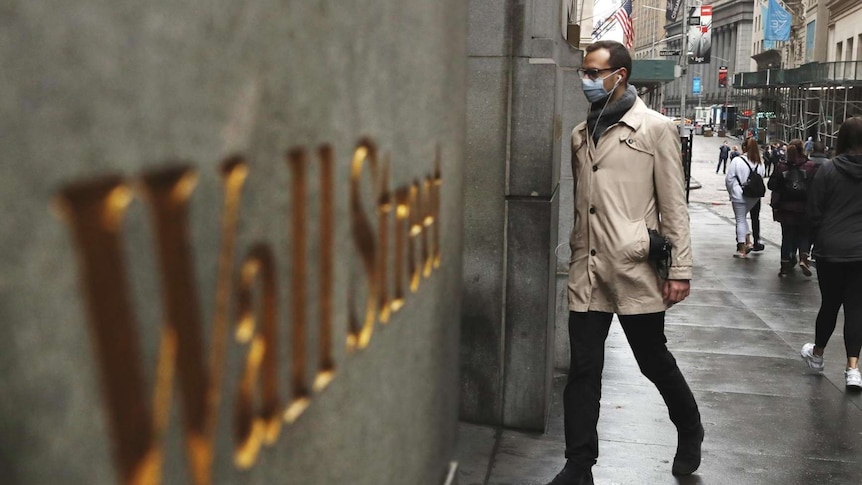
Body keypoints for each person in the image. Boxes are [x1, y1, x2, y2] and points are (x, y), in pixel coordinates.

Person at [548, 40, 702, 485]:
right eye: (584, 71)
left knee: (653, 361)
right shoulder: (581, 133)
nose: (587, 81)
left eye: (596, 73)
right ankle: (579, 465)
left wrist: (680, 270)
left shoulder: (655, 128)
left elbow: (674, 206)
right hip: (587, 270)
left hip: (635, 266)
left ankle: (689, 427)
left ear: (621, 75)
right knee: (583, 370)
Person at [801, 116, 862, 391]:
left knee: (829, 304)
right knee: (856, 308)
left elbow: (813, 211)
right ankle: (853, 368)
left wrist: (810, 244)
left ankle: (818, 356)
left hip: (830, 250)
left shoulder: (827, 170)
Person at [767, 139, 818, 277]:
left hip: (785, 208)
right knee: (803, 234)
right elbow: (815, 189)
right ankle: (803, 257)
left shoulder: (782, 166)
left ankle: (785, 265)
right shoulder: (811, 166)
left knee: (787, 236)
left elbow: (771, 185)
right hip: (804, 208)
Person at [725, 138, 766, 258]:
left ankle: (741, 247)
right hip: (754, 196)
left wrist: (731, 192)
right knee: (742, 218)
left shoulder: (737, 160)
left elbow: (729, 179)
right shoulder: (760, 162)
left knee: (740, 220)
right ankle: (748, 242)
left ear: (744, 148)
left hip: (739, 194)